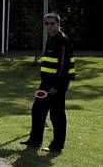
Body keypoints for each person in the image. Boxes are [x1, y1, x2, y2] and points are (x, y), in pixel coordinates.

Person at [21, 12, 75, 153]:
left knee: (56, 114)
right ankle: (35, 141)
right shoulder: (51, 38)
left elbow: (64, 66)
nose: (49, 26)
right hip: (46, 83)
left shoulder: (62, 40)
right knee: (38, 110)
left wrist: (56, 87)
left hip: (56, 84)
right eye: (47, 23)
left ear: (58, 24)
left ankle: (57, 146)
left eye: (52, 23)